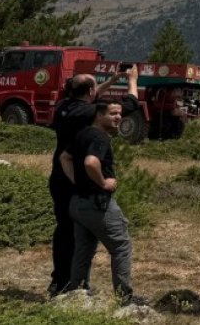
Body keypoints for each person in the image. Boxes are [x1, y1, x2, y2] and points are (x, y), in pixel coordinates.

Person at [48, 64, 139, 298]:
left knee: (74, 235)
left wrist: (112, 79)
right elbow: (130, 104)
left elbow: (93, 93)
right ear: (90, 93)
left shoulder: (64, 108)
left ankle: (66, 284)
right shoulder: (92, 118)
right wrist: (131, 81)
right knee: (110, 242)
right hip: (85, 183)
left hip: (61, 177)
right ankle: (73, 285)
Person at [61, 101, 141, 304]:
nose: (118, 117)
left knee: (84, 248)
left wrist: (77, 182)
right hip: (97, 204)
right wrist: (103, 182)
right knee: (121, 246)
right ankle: (125, 299)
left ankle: (77, 293)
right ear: (98, 115)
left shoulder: (83, 133)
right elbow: (91, 162)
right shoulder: (100, 137)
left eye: (120, 113)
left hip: (77, 203)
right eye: (113, 113)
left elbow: (65, 158)